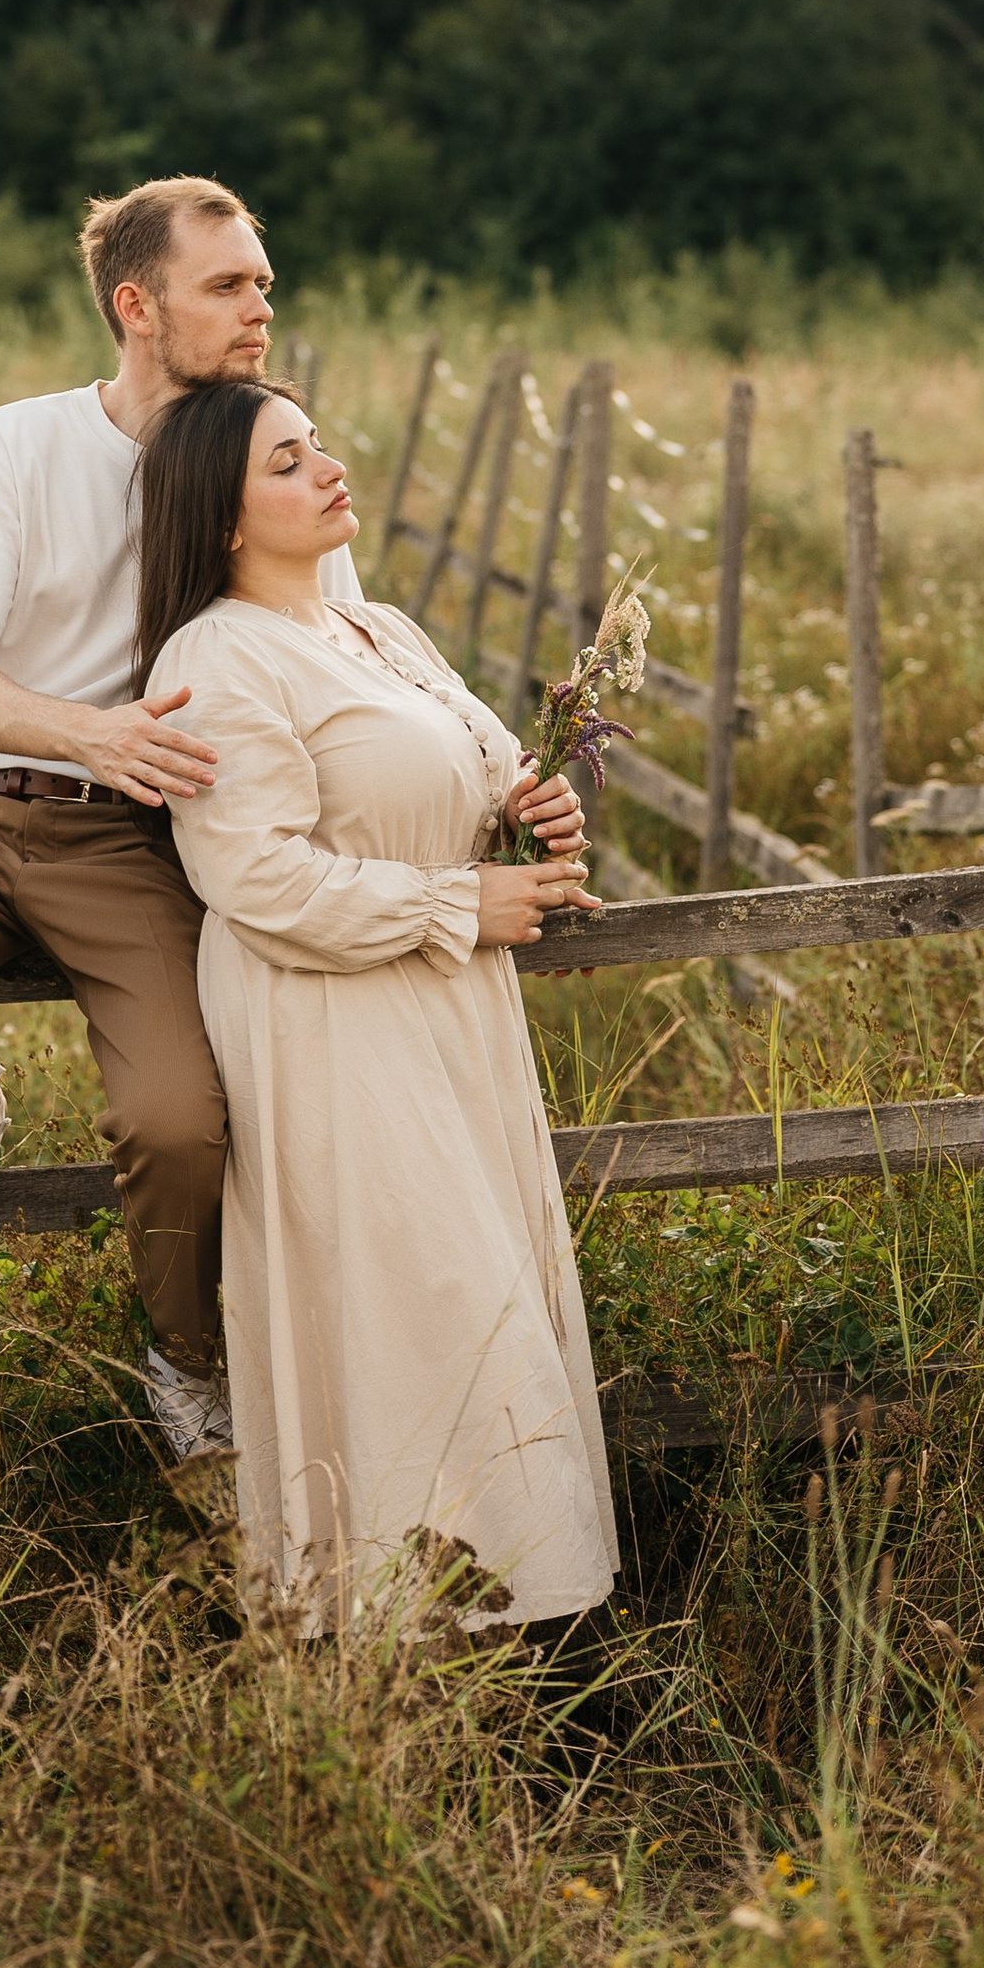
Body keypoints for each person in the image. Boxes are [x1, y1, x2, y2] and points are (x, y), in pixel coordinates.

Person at [0, 176, 358, 1463]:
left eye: (264, 283)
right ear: (135, 303)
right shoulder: (17, 443)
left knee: (179, 1120)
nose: (259, 308)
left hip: (131, 842)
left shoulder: (269, 460)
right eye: (227, 284)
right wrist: (89, 729)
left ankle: (185, 1364)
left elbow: (342, 656)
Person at [138, 375, 620, 1638]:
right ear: (227, 518)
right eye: (287, 462)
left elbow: (464, 758)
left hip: (449, 1019)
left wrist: (529, 797)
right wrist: (457, 904)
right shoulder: (214, 658)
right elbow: (252, 873)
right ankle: (400, 1636)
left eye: (319, 446)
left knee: (482, 1296)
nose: (328, 468)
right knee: (425, 1315)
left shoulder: (382, 630)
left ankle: (522, 1628)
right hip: (335, 1024)